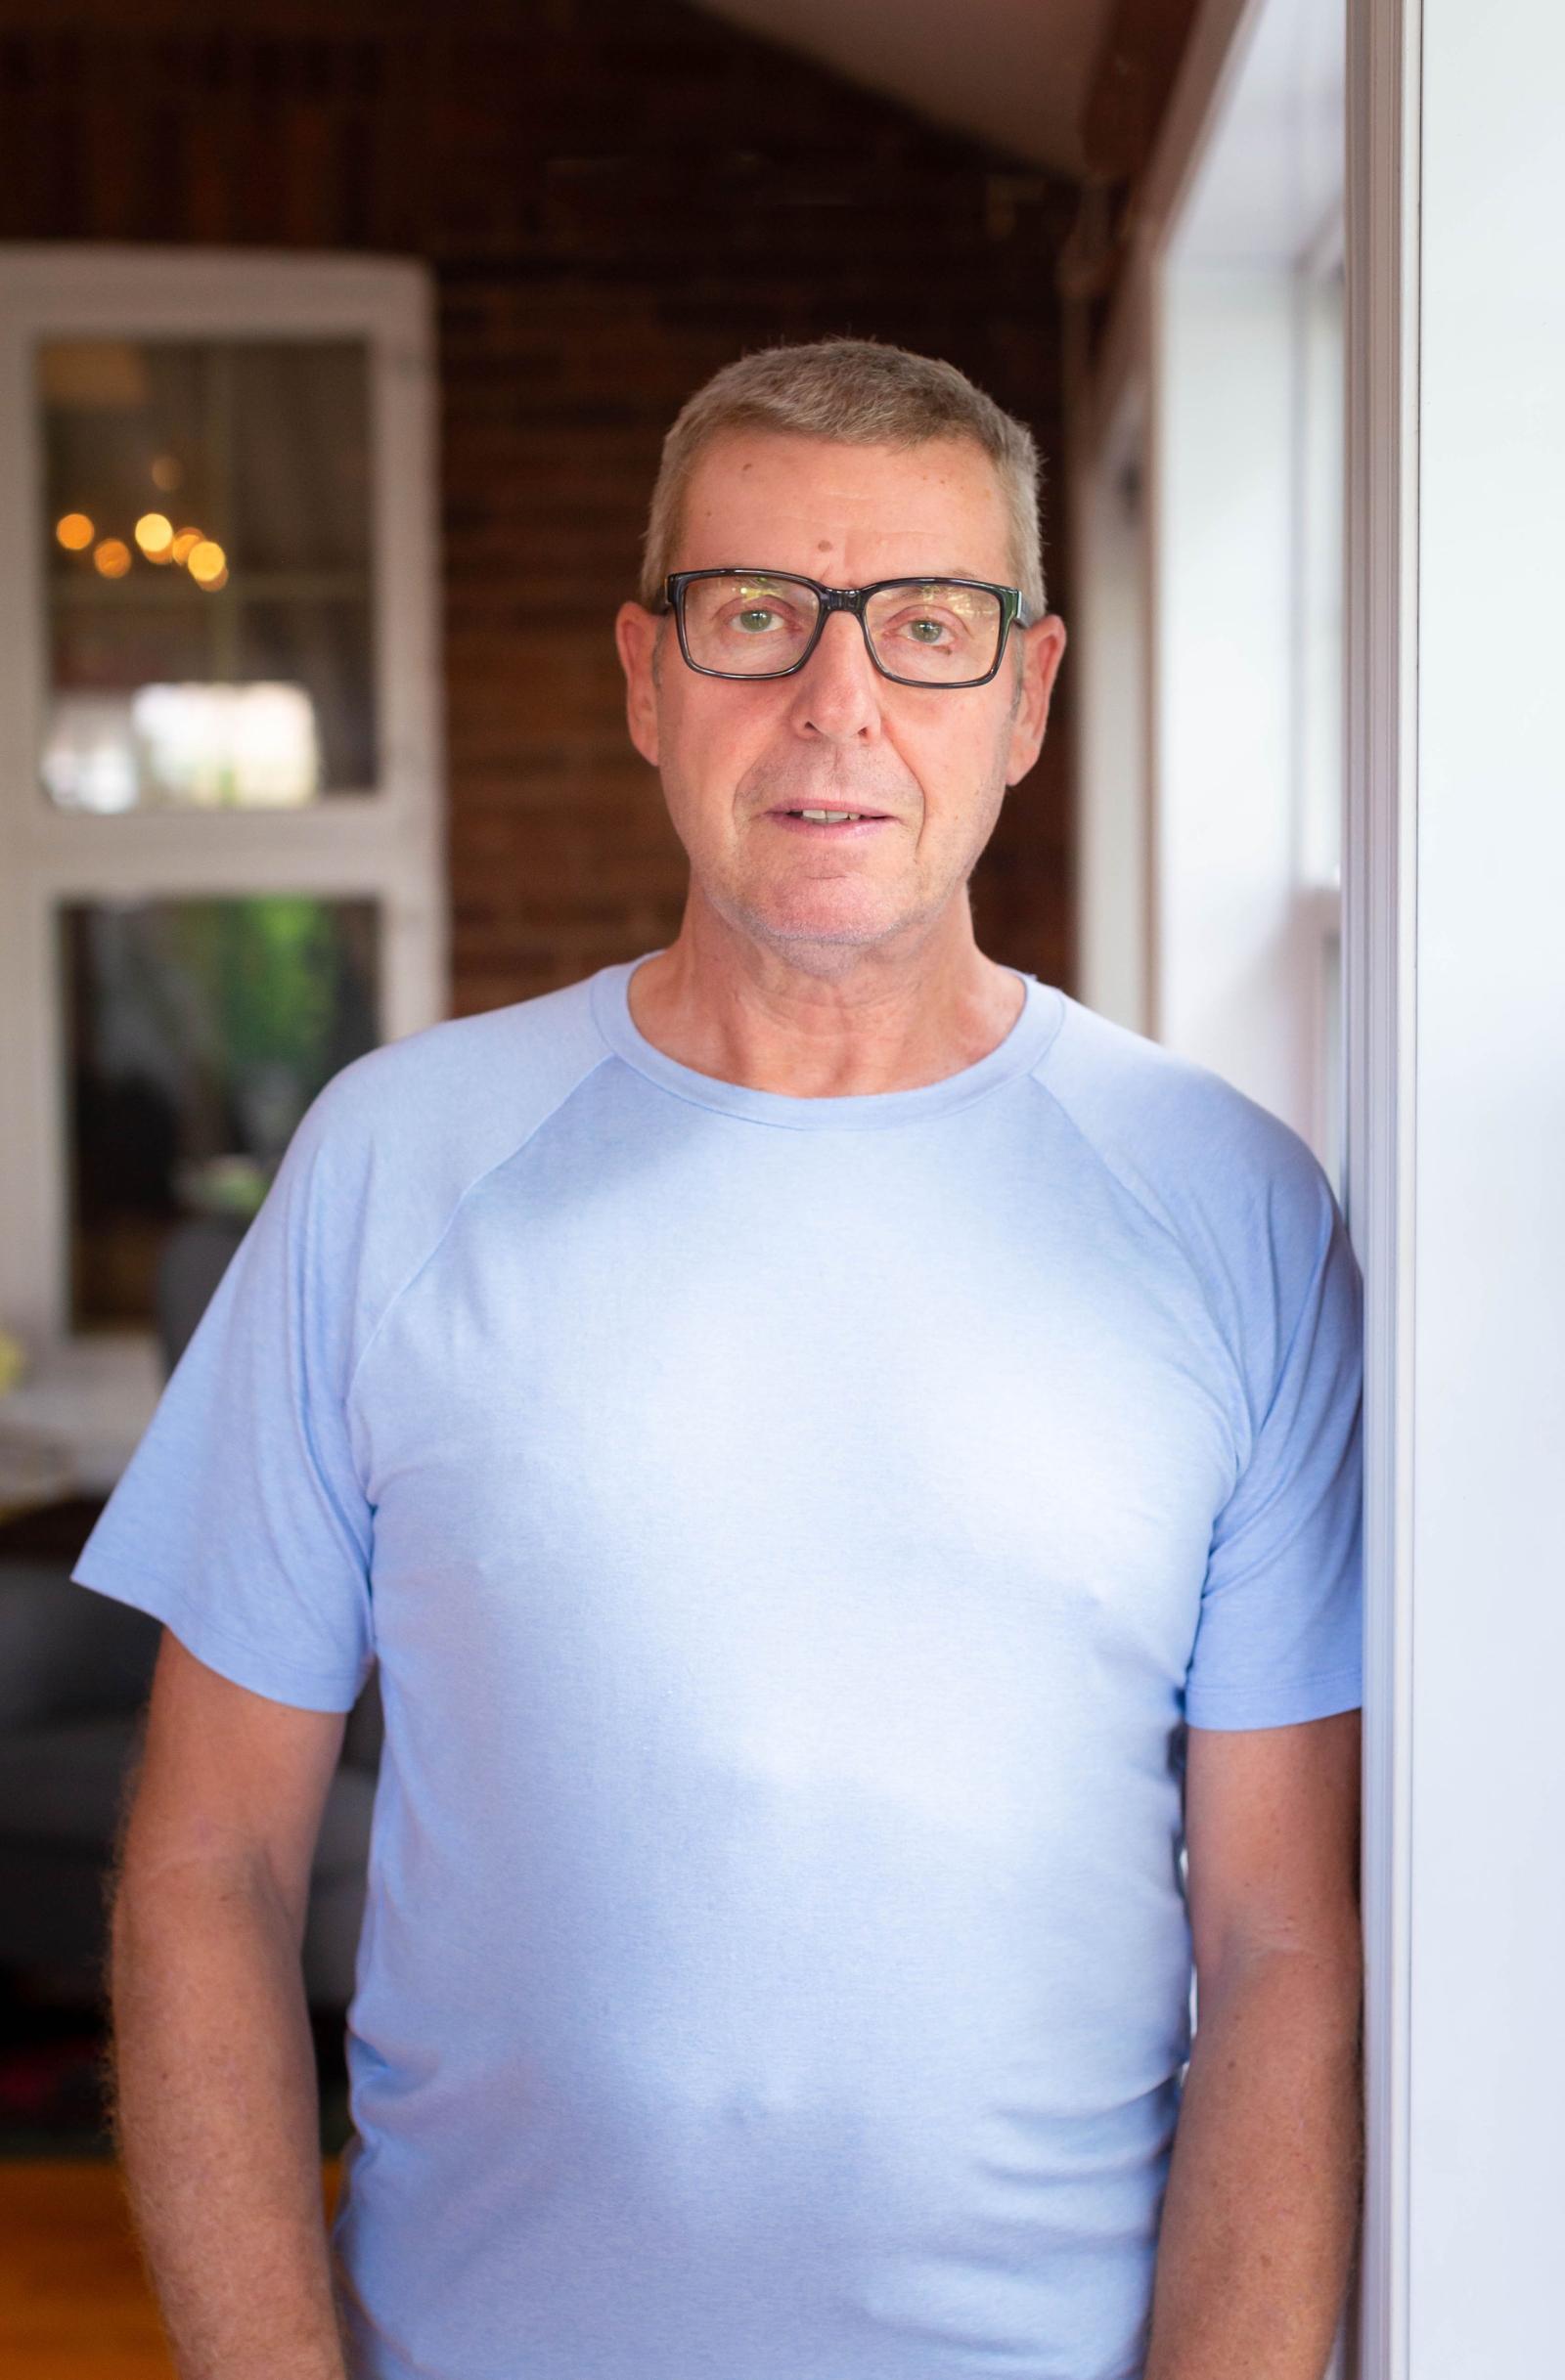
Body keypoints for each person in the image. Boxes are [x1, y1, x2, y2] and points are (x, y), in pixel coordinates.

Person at [88, 338, 1362, 2380]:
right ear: (645, 676)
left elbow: (1284, 1941)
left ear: (1027, 694)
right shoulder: (392, 1166)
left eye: (926, 626)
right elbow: (204, 1861)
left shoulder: (1232, 1208)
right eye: (755, 613)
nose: (835, 701)